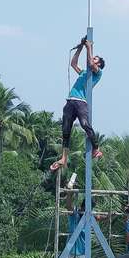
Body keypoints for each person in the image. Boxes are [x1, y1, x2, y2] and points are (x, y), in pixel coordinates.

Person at [50, 38, 105, 171]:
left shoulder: (97, 73)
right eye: (94, 57)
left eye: (96, 58)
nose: (94, 58)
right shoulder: (84, 72)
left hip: (81, 102)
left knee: (85, 124)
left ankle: (96, 148)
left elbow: (91, 63)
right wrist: (81, 47)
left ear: (99, 64)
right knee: (66, 129)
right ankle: (64, 158)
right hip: (71, 100)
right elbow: (73, 63)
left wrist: (89, 47)